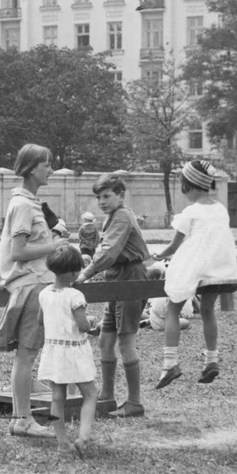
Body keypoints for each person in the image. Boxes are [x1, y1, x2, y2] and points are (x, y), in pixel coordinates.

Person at [0, 144, 61, 438]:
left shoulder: (29, 202)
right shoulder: (23, 205)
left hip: (36, 283)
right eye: (47, 165)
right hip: (31, 285)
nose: (51, 170)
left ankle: (24, 410)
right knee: (26, 355)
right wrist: (55, 246)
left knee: (28, 354)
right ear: (33, 168)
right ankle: (22, 419)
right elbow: (17, 251)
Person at [152, 160, 237, 388]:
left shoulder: (190, 212)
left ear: (187, 186)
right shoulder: (220, 209)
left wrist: (158, 256)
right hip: (220, 269)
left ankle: (170, 362)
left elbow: (174, 247)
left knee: (173, 307)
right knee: (208, 310)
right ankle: (212, 359)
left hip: (198, 266)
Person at [76, 173, 150, 418]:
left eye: (107, 196)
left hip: (131, 277)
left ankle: (135, 402)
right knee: (105, 341)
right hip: (116, 278)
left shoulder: (121, 216)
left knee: (126, 341)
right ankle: (107, 396)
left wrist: (85, 273)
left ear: (121, 195)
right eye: (98, 197)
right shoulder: (111, 217)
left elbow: (108, 252)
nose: (102, 201)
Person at [37, 246, 99, 456]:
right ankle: (83, 436)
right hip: (74, 353)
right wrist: (91, 320)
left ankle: (62, 442)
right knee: (90, 393)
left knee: (57, 397)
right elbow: (83, 326)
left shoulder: (44, 293)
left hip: (54, 351)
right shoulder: (75, 295)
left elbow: (40, 320)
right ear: (74, 272)